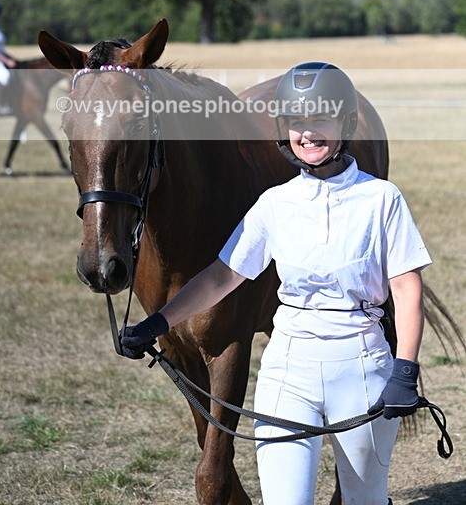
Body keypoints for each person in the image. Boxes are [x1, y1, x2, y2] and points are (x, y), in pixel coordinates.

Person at [121, 62, 431, 505]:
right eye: (297, 124)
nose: (309, 134)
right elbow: (223, 276)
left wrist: (405, 371)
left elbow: (406, 289)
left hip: (362, 365)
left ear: (343, 122)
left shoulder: (383, 199)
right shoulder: (274, 202)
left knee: (365, 499)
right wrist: (158, 323)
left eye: (320, 120)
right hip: (289, 369)